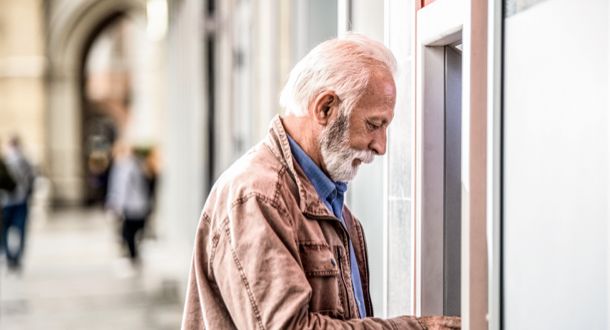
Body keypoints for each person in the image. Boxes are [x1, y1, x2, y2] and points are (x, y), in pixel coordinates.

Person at [182, 33, 461, 330]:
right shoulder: (257, 195)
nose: (381, 146)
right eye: (374, 124)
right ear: (325, 108)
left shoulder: (328, 201)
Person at [105, 145, 156, 263]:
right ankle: (134, 253)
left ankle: (133, 255)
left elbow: (122, 188)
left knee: (128, 232)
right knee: (134, 231)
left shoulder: (124, 166)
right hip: (140, 205)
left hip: (132, 206)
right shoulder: (137, 164)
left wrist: (117, 206)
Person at [0, 136, 35, 271]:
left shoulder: (6, 161)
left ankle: (10, 257)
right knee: (20, 230)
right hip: (20, 199)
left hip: (7, 201)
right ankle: (16, 258)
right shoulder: (26, 160)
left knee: (5, 231)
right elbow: (32, 178)